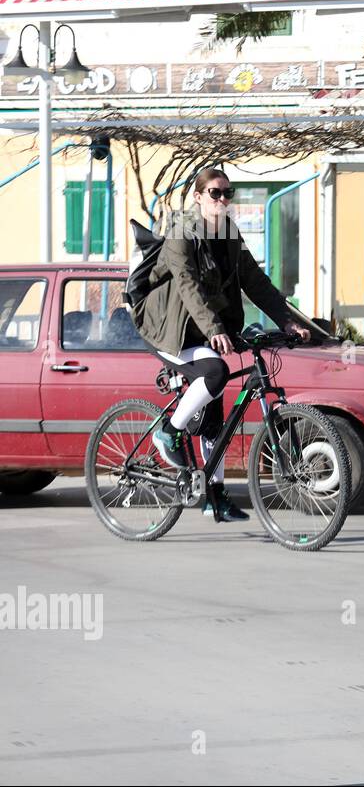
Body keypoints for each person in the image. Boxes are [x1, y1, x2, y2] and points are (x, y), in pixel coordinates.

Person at [136, 168, 311, 522]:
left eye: (228, 193)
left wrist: (289, 321)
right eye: (215, 193)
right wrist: (215, 328)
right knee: (216, 372)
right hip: (168, 328)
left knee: (215, 415)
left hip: (203, 329)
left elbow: (255, 281)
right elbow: (188, 285)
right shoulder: (180, 232)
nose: (223, 200)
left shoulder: (228, 233)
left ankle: (214, 497)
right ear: (198, 197)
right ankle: (168, 433)